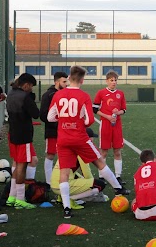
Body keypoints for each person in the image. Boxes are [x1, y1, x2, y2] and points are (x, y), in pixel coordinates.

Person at [48, 65, 129, 219]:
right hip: (79, 137)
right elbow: (90, 120)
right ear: (82, 80)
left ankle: (66, 209)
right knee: (99, 161)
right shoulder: (83, 96)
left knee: (64, 173)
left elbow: (50, 118)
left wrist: (65, 120)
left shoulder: (58, 95)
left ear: (70, 78)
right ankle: (118, 189)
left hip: (63, 138)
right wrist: (78, 123)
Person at [51, 128, 109, 209]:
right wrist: (95, 190)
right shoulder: (81, 151)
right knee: (100, 185)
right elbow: (87, 174)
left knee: (77, 176)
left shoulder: (71, 147)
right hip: (62, 185)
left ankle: (60, 198)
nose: (92, 141)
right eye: (91, 138)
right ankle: (70, 199)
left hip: (56, 183)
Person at [6, 73, 40, 209]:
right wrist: (31, 99)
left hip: (12, 133)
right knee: (22, 166)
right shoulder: (25, 97)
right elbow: (36, 114)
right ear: (26, 84)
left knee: (16, 164)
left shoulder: (11, 93)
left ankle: (11, 197)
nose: (31, 88)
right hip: (23, 136)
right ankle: (20, 199)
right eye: (31, 86)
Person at [93, 70, 127, 185]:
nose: (114, 82)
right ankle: (102, 176)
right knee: (104, 151)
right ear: (107, 81)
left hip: (117, 125)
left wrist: (118, 113)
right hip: (105, 125)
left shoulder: (120, 94)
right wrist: (107, 116)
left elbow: (124, 110)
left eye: (115, 80)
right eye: (111, 80)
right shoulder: (101, 93)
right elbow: (95, 109)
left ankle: (118, 176)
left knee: (117, 151)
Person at [39, 71, 68, 185]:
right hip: (52, 131)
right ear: (56, 82)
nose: (66, 84)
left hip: (66, 132)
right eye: (64, 81)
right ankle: (49, 182)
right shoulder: (48, 95)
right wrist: (57, 124)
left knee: (65, 156)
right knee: (51, 155)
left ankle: (63, 180)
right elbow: (43, 115)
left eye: (67, 81)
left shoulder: (65, 94)